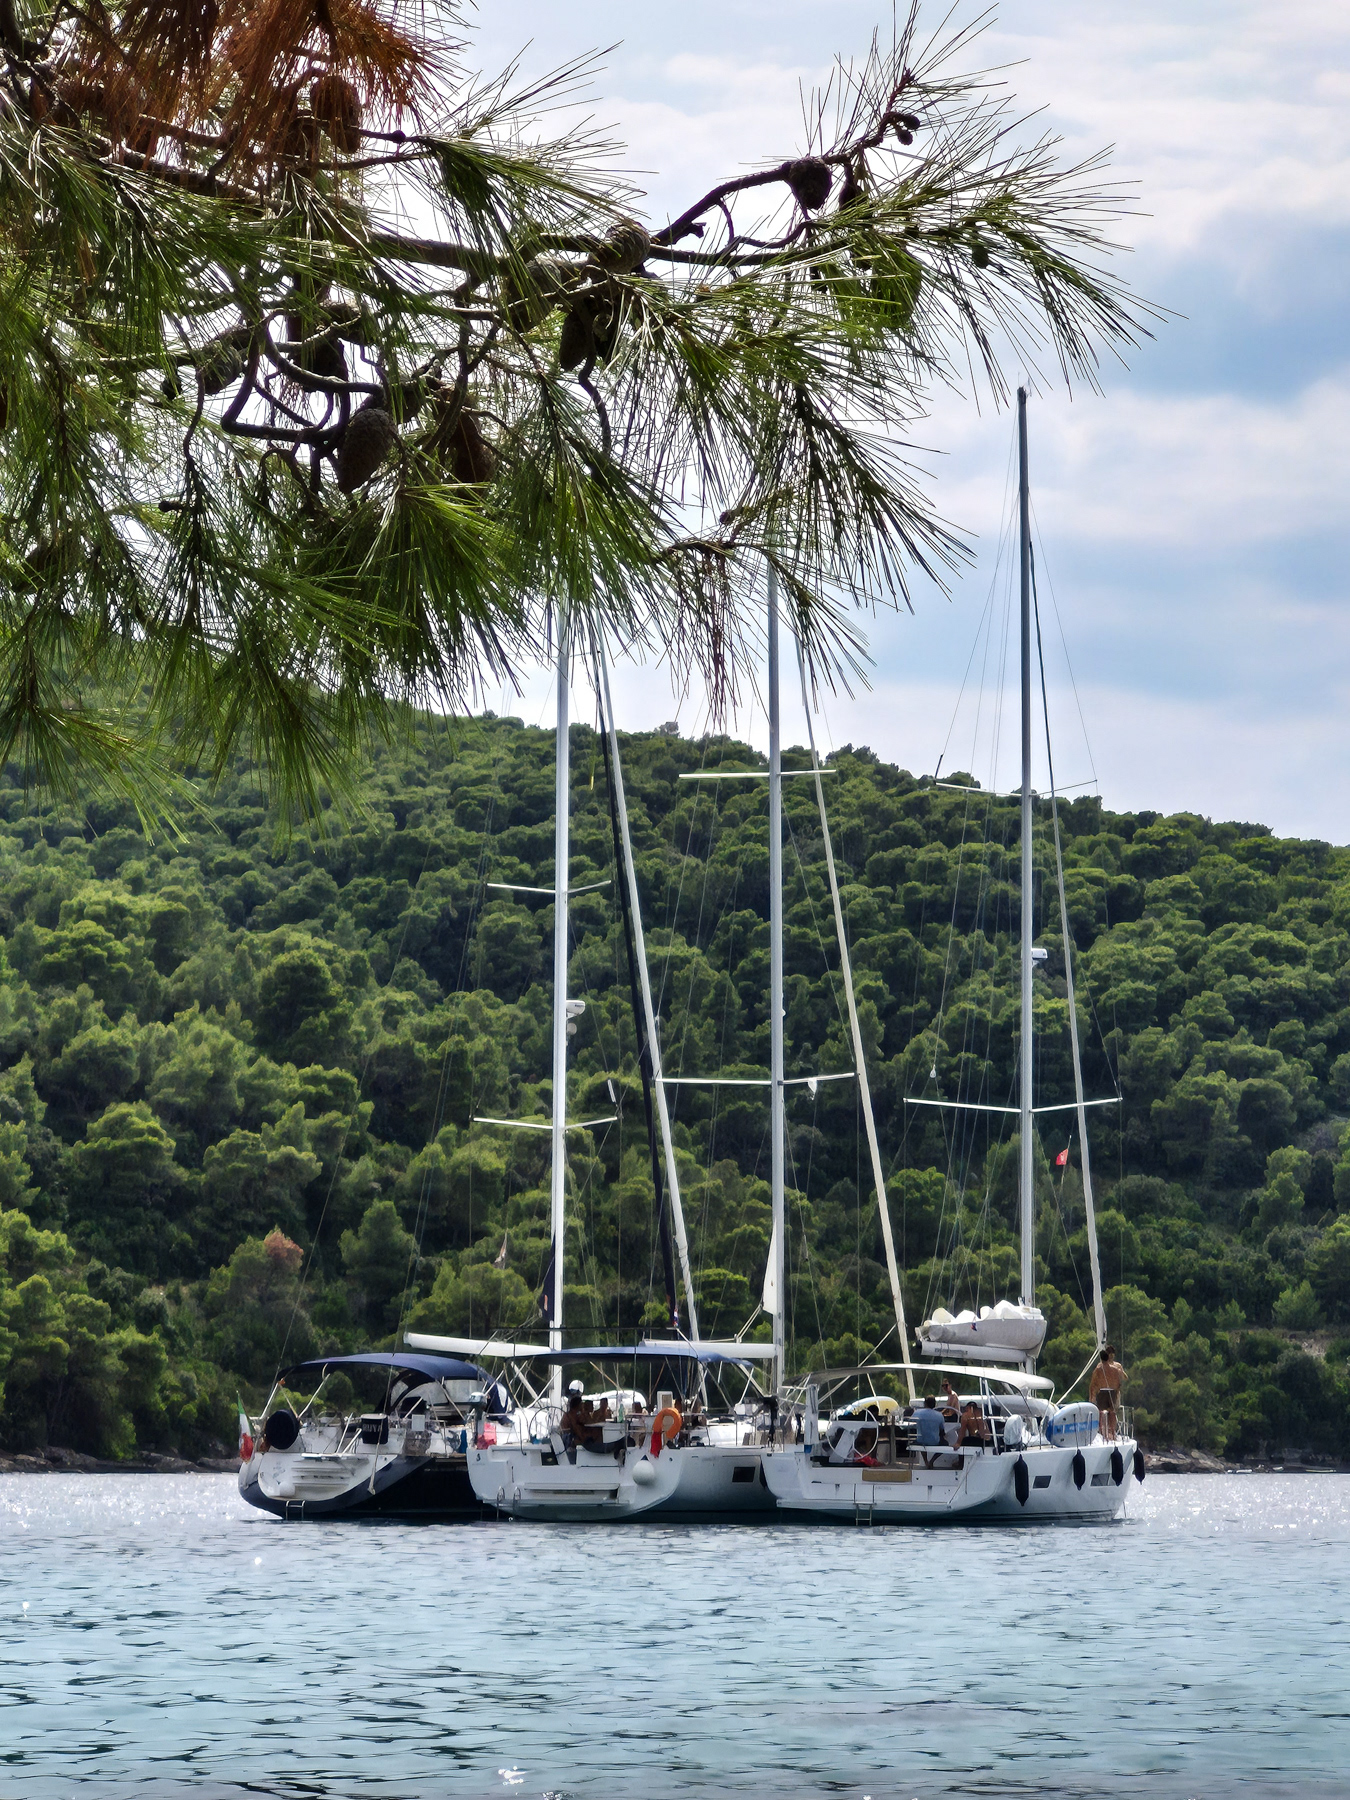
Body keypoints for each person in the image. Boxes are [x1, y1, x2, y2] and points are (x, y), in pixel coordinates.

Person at [1093, 1345, 1127, 1443]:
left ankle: (1113, 1432)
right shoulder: (1100, 1366)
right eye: (1109, 1355)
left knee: (1112, 1412)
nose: (1111, 1357)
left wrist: (1121, 1373)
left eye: (1112, 1355)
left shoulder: (1117, 1365)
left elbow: (1125, 1377)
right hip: (1103, 1391)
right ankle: (1102, 1432)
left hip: (1114, 1392)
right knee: (1102, 1412)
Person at [913, 1394, 947, 1467]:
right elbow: (942, 1430)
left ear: (925, 1403)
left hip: (920, 1440)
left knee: (921, 1437)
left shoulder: (917, 1413)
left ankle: (925, 1461)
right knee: (945, 1443)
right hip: (934, 1441)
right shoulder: (939, 1415)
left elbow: (911, 1424)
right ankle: (932, 1461)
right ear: (934, 1404)